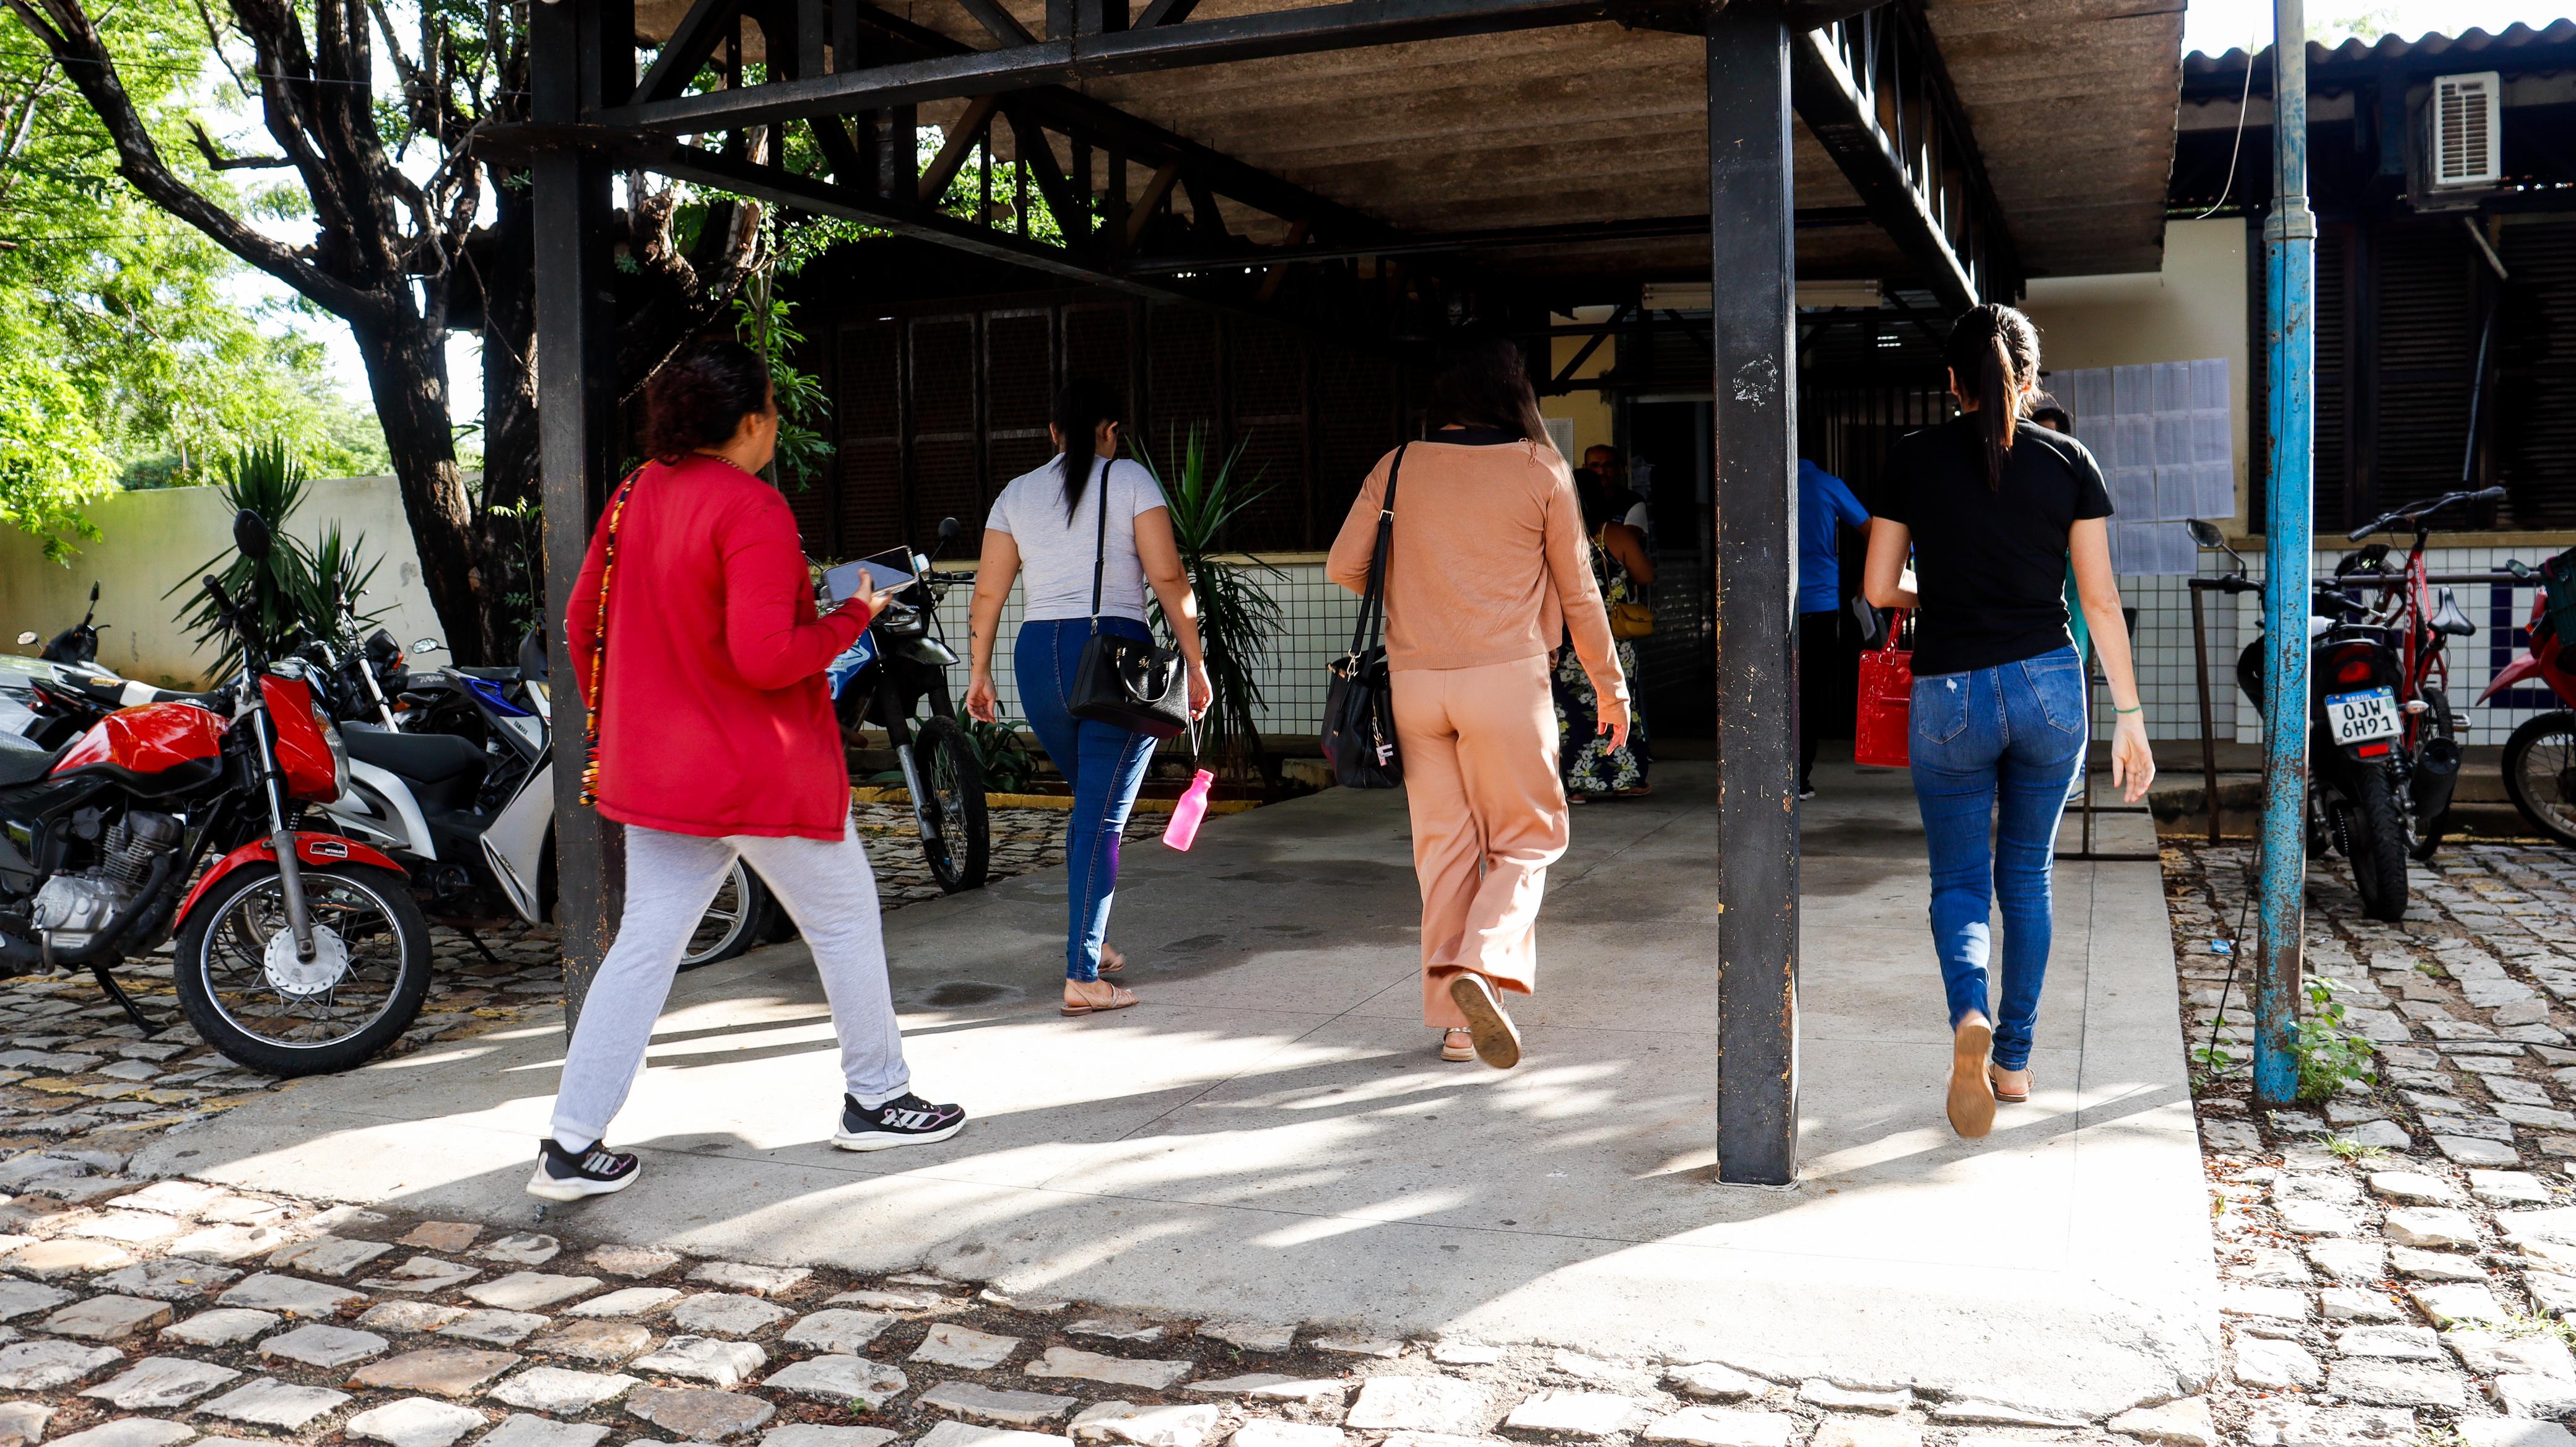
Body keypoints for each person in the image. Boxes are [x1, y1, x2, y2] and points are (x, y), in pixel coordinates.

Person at [536, 339, 967, 1201]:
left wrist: (639, 703)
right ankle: (877, 1099)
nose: (778, 423)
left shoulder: (634, 494)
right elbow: (768, 657)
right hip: (754, 770)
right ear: (747, 422)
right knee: (844, 919)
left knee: (644, 947)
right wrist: (853, 611)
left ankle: (572, 1143)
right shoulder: (755, 509)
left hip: (661, 775)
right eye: (772, 408)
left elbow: (586, 615)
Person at [1862, 304, 2154, 1142]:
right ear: (2029, 380)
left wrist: (1942, 593)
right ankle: (2015, 1063)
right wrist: (2129, 716)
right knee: (2024, 879)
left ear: (1951, 383)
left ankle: (1969, 1013)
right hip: (2049, 687)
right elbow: (2097, 600)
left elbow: (1881, 588)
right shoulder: (2070, 461)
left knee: (1958, 883)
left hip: (1949, 693)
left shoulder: (1912, 460)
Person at [1327, 339, 1627, 1070]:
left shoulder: (1397, 464)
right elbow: (1581, 593)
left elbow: (1343, 565)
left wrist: (1421, 588)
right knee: (1528, 839)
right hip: (1505, 683)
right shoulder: (1540, 469)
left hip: (1415, 688)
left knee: (1446, 853)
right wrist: (1610, 685)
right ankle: (1483, 962)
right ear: (1511, 394)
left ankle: (1456, 1026)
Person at [965, 380, 1212, 1016]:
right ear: (1110, 431)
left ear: (1053, 433)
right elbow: (1166, 575)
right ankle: (1081, 974)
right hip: (1113, 658)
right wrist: (1194, 659)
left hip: (1036, 657)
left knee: (1090, 805)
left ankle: (1090, 943)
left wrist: (978, 671)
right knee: (1101, 816)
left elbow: (989, 593)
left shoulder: (1015, 493)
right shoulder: (1128, 478)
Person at [1558, 469, 1653, 800]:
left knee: (1570, 711)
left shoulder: (1558, 535)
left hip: (1569, 640)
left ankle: (1575, 786)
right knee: (1620, 705)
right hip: (1615, 641)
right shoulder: (1615, 535)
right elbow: (1645, 575)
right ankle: (1628, 780)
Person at [1797, 458, 1871, 800]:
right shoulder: (1827, 484)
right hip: (1819, 603)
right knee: (1808, 694)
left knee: (1762, 692)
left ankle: (1762, 778)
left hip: (1764, 604)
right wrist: (1869, 578)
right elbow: (1874, 530)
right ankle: (1799, 779)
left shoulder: (1759, 480)